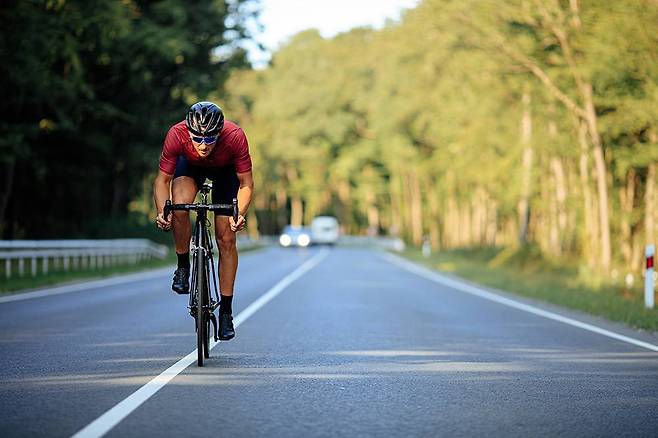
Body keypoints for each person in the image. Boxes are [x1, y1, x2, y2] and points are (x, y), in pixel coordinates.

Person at [153, 101, 254, 340]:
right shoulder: (176, 134)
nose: (203, 144)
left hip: (225, 171)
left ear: (220, 133)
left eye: (210, 139)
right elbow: (162, 181)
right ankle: (183, 267)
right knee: (178, 205)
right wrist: (161, 211)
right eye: (197, 138)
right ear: (188, 131)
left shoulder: (235, 136)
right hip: (189, 168)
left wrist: (239, 213)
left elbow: (246, 183)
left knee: (226, 237)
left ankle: (226, 313)